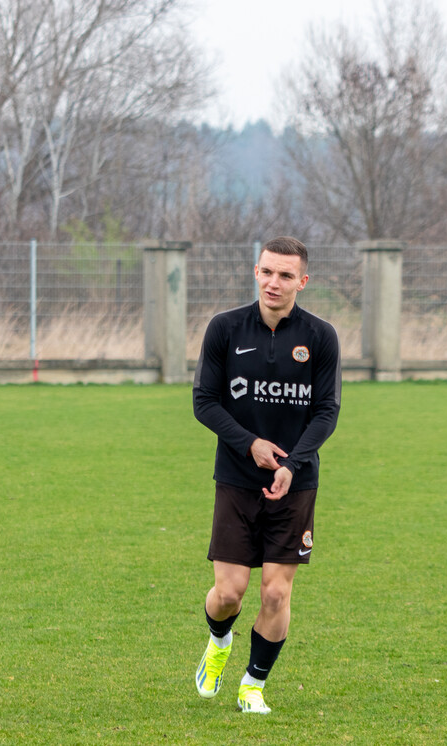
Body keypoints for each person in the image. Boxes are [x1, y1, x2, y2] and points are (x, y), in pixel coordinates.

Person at [192, 236, 342, 714]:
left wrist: (292, 464)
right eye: (266, 272)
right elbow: (204, 402)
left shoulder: (320, 336)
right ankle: (218, 644)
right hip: (236, 479)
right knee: (228, 594)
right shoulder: (225, 328)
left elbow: (326, 410)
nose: (273, 282)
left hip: (295, 484)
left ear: (303, 280)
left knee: (276, 592)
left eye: (285, 275)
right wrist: (250, 444)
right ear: (256, 272)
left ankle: (253, 685)